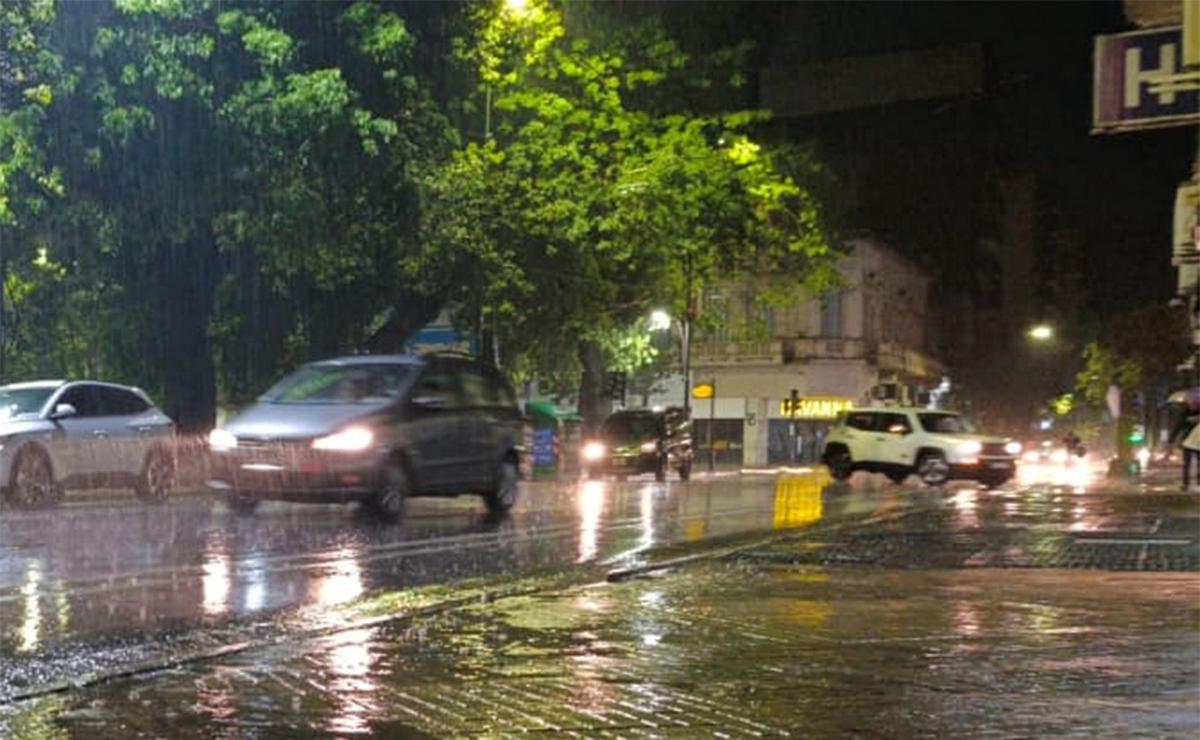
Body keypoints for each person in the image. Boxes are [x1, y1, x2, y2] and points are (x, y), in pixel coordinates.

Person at [1169, 408, 1200, 490]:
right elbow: (1178, 425)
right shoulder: (1185, 413)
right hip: (1187, 441)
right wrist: (1171, 438)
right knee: (1186, 463)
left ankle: (1198, 480)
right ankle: (1185, 483)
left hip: (1198, 441)